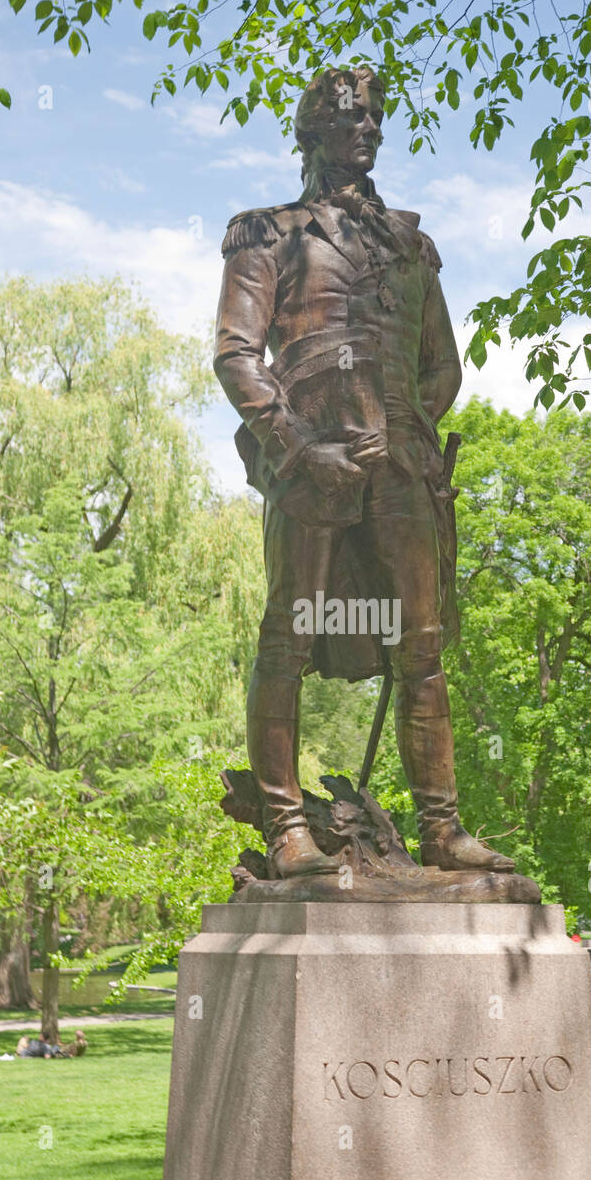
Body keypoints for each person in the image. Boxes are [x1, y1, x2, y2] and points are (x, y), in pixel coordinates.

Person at [214, 64, 516, 880]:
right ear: (311, 131)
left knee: (421, 647)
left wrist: (405, 428)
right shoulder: (266, 233)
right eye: (350, 117)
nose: (368, 129)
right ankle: (286, 830)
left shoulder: (412, 245)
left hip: (403, 470)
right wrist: (301, 447)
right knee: (288, 638)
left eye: (376, 117)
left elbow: (442, 366)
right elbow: (238, 358)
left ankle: (443, 833)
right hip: (309, 465)